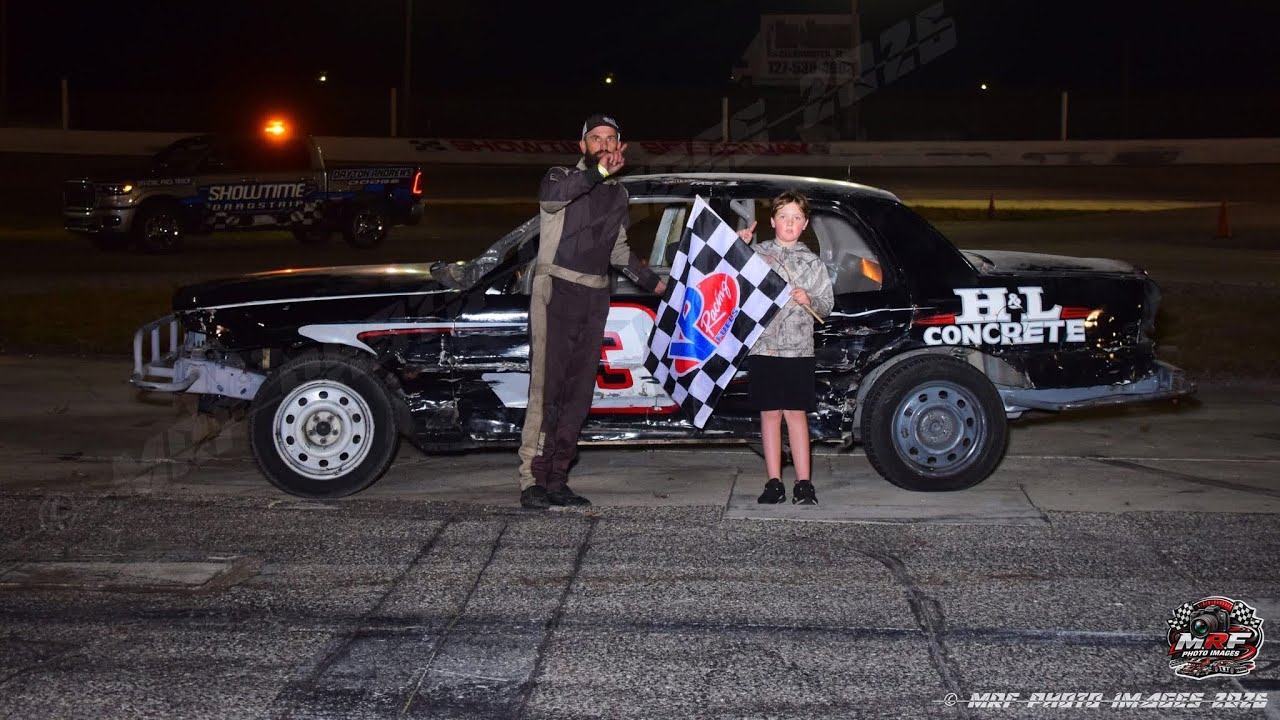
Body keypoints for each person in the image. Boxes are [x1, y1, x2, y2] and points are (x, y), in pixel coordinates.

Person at [516, 114, 667, 510]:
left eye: (610, 139)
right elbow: (550, 200)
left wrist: (657, 285)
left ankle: (558, 479)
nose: (603, 144)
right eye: (595, 138)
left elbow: (618, 252)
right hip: (556, 290)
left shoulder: (617, 194)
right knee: (546, 389)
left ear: (620, 146)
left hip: (595, 296)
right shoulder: (560, 177)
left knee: (579, 394)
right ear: (582, 145)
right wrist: (597, 171)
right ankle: (533, 478)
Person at [737, 191, 834, 505]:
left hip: (798, 351)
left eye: (796, 218)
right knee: (769, 415)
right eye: (783, 217)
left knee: (795, 415)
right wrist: (738, 246)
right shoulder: (758, 254)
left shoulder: (812, 262)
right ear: (772, 221)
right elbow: (733, 281)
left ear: (805, 224)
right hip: (763, 347)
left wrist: (810, 300)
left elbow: (826, 305)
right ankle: (774, 481)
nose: (789, 223)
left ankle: (804, 483)